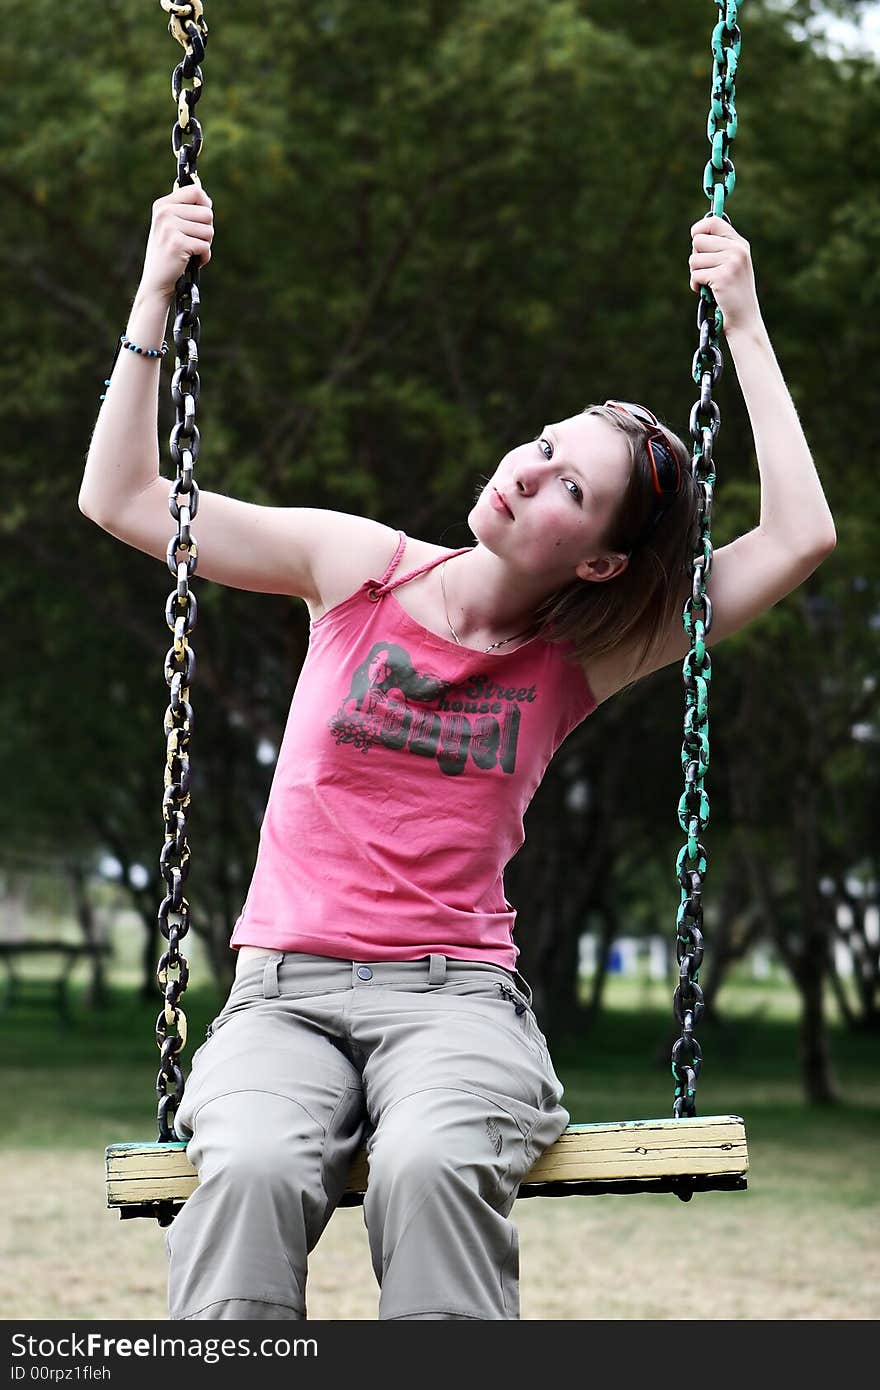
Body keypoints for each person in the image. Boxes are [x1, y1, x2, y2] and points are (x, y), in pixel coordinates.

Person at [79, 184, 836, 1320]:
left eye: (570, 486)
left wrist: (742, 322)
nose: (526, 471)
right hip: (281, 992)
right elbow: (122, 495)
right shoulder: (355, 566)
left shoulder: (585, 655)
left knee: (433, 1168)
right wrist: (153, 287)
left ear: (598, 563)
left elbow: (799, 536)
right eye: (542, 447)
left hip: (454, 1001)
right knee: (246, 1171)